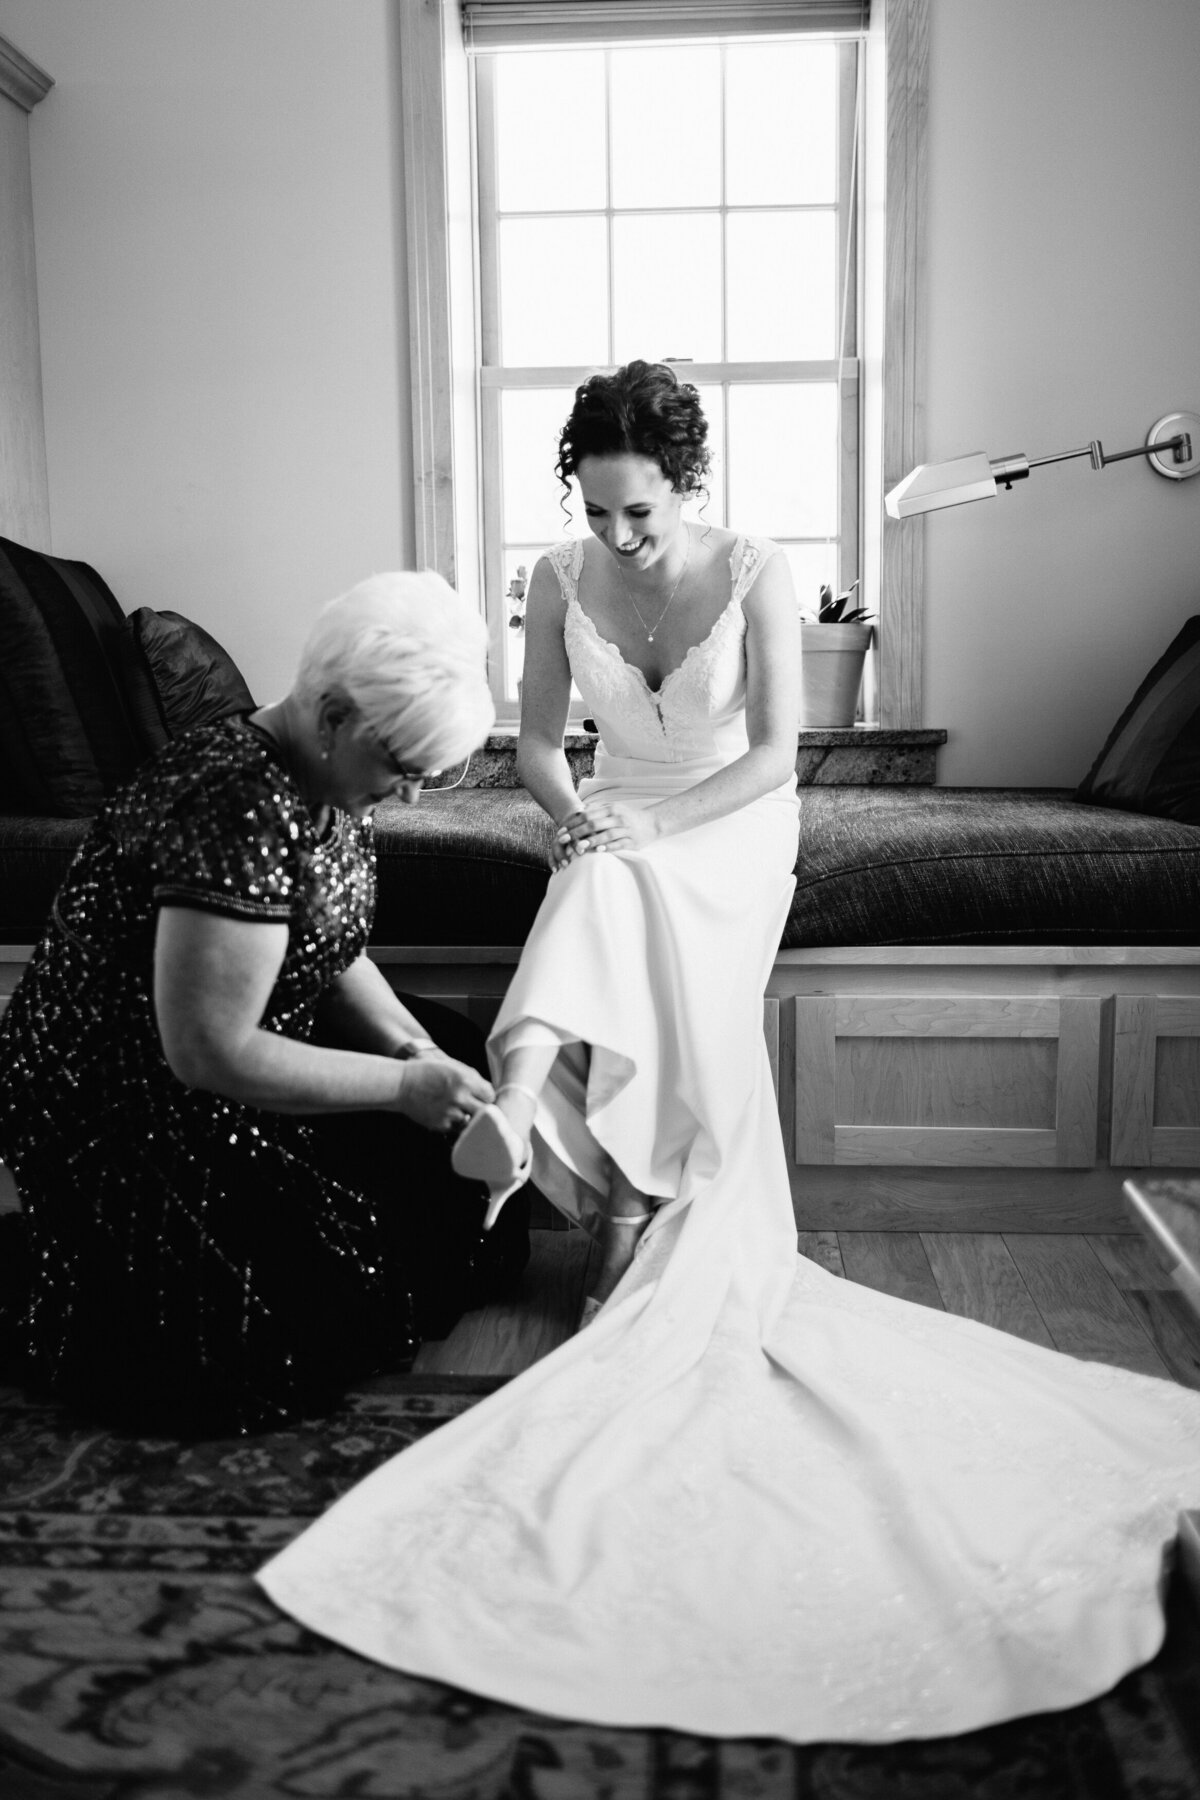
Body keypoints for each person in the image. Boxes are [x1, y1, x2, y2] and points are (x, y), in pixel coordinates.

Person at [259, 366, 1200, 1745]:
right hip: (623, 822)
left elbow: (776, 757)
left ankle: (577, 1156)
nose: (619, 537)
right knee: (594, 879)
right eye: (596, 510)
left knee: (622, 884)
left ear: (686, 488)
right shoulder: (551, 578)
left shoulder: (759, 568)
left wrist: (651, 824)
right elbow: (530, 744)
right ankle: (558, 1148)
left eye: (638, 514)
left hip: (733, 825)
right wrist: (577, 811)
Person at [0, 572, 529, 1436]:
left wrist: (412, 1055)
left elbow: (332, 944)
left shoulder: (332, 772)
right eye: (403, 770)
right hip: (122, 1091)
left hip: (236, 1033)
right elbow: (209, 1052)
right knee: (271, 1346)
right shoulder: (231, 805)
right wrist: (399, 1091)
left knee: (453, 1058)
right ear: (330, 715)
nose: (410, 798)